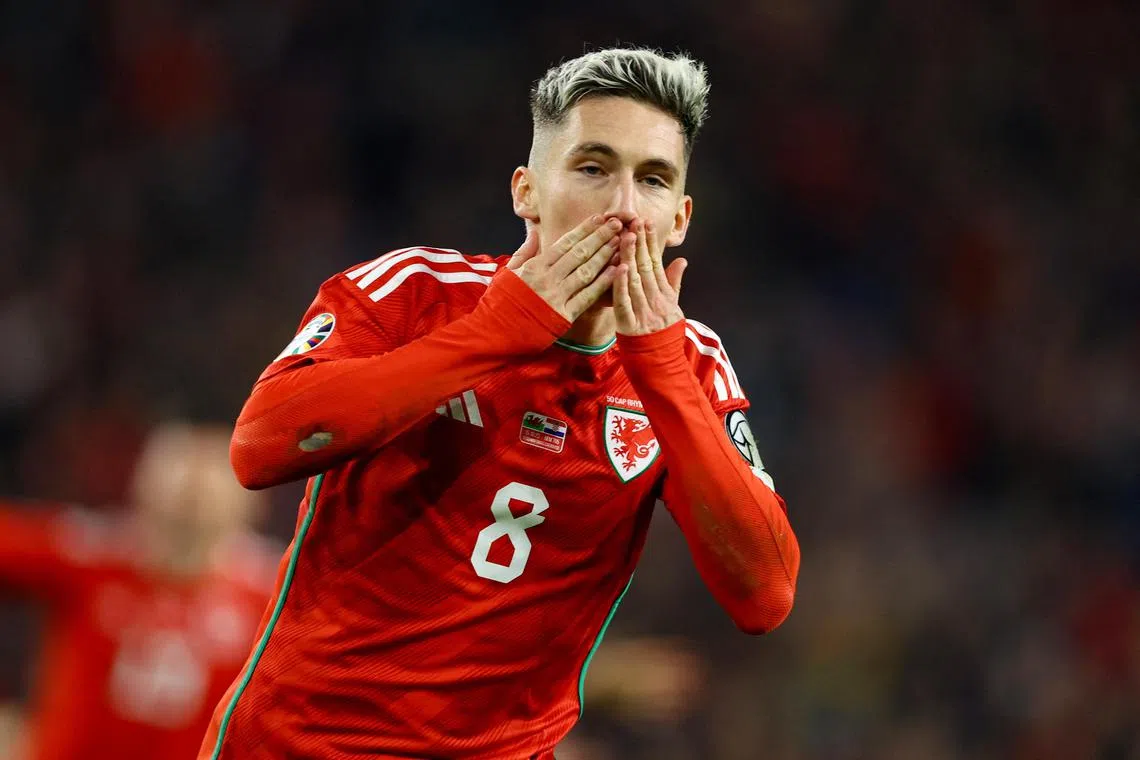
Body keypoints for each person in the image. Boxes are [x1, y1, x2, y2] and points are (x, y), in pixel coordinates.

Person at [203, 47, 801, 759]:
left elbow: (764, 595)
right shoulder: (414, 291)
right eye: (592, 168)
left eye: (653, 180)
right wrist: (499, 332)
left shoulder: (692, 365)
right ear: (526, 191)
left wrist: (661, 371)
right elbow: (262, 444)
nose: (622, 209)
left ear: (679, 218)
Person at [0, 422, 276, 760]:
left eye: (208, 475)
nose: (193, 496)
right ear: (140, 482)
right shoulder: (89, 554)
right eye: (182, 469)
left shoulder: (273, 593)